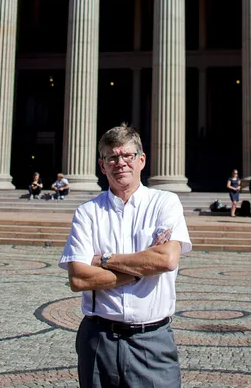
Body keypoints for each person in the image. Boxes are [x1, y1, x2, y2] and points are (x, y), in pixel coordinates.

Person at [59, 124, 192, 388]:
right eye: (112, 157)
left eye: (127, 155)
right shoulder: (88, 212)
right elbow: (79, 280)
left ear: (141, 160)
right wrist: (142, 267)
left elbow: (166, 260)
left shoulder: (165, 203)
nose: (120, 163)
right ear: (102, 165)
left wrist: (103, 260)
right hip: (98, 338)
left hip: (152, 340)